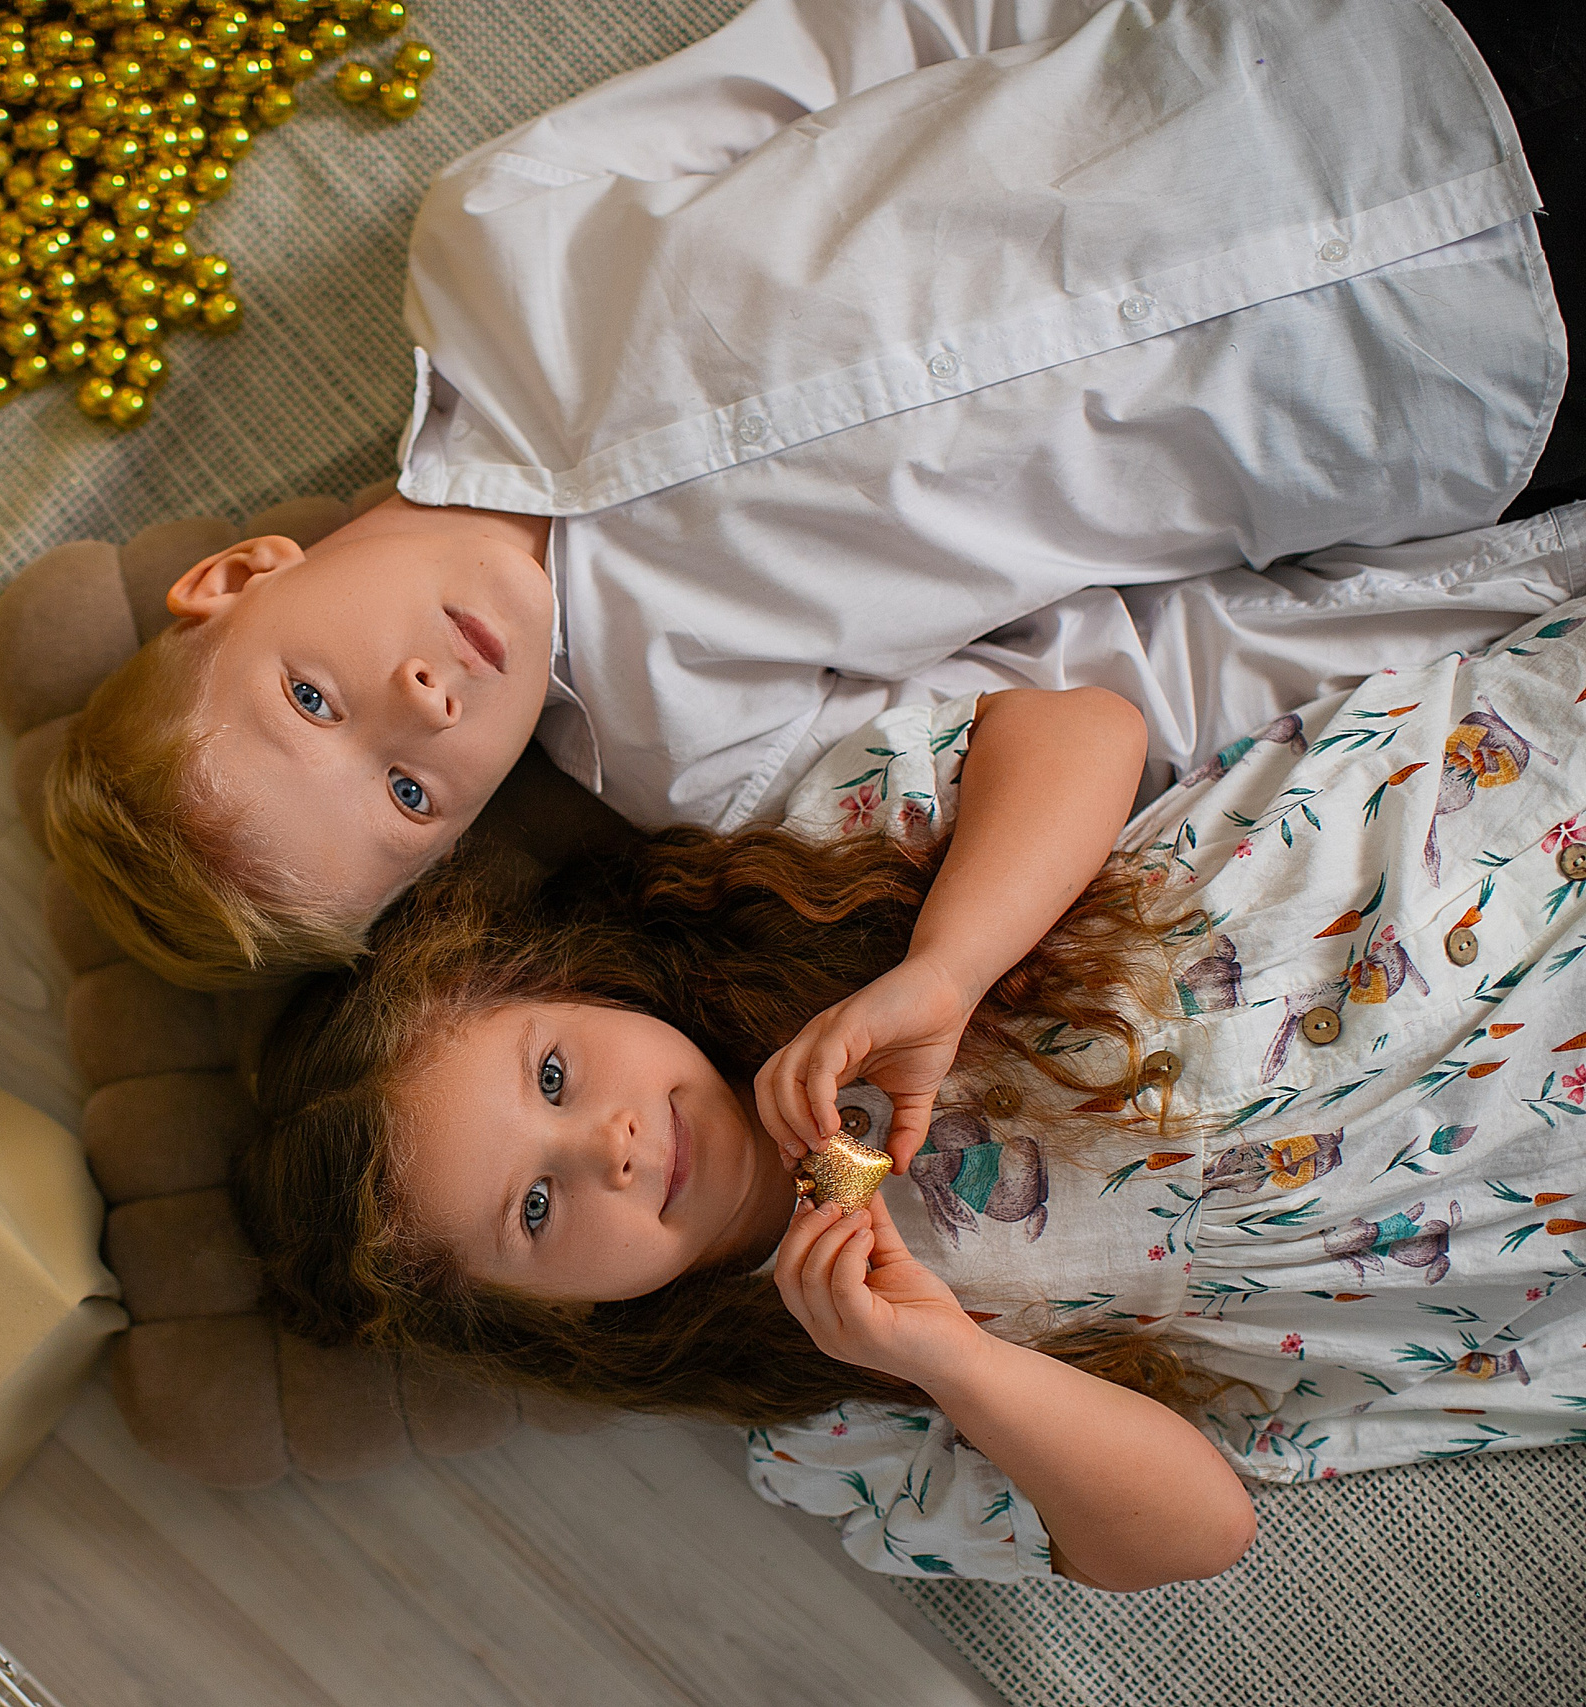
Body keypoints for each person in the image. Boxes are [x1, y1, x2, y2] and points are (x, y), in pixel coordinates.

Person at [43, 0, 1586, 988]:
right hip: (1455, 382)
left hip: (1346, 70)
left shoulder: (496, 248)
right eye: (406, 794)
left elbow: (869, 42)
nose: (428, 703)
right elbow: (1133, 674)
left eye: (316, 699)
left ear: (237, 574)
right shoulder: (702, 756)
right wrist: (1519, 570)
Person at [233, 593, 1586, 1587]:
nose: (615, 1145)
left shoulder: (798, 887)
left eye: (554, 1074)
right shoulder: (829, 1422)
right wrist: (949, 1356)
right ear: (557, 1318)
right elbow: (1195, 1532)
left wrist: (946, 966)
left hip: (1466, 840)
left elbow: (1082, 730)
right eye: (534, 1207)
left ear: (577, 987)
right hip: (1511, 1178)